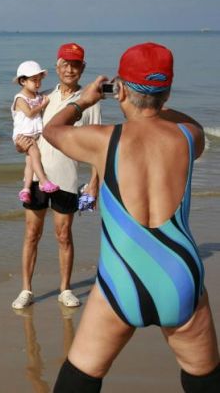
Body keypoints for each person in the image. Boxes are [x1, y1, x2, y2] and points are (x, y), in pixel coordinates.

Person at [44, 42, 220, 392]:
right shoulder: (189, 138)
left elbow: (52, 130)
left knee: (80, 378)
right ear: (167, 93)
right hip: (180, 275)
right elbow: (191, 122)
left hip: (122, 277)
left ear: (119, 89)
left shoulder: (103, 140)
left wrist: (83, 101)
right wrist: (158, 104)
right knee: (205, 381)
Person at [11, 43, 102, 310]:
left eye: (76, 65)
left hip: (67, 179)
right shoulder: (43, 99)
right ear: (57, 66)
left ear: (83, 68)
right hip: (37, 178)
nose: (70, 70)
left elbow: (97, 147)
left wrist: (94, 184)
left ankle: (65, 289)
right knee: (31, 233)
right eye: (66, 64)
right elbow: (25, 132)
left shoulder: (89, 101)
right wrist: (20, 145)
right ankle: (26, 290)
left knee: (63, 235)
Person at [11, 60, 59, 204]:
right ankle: (44, 181)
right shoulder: (20, 98)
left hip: (33, 134)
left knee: (30, 163)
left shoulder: (36, 96)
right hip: (24, 134)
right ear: (23, 81)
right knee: (36, 155)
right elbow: (30, 113)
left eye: (39, 80)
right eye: (34, 80)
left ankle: (26, 189)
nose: (38, 84)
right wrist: (43, 105)